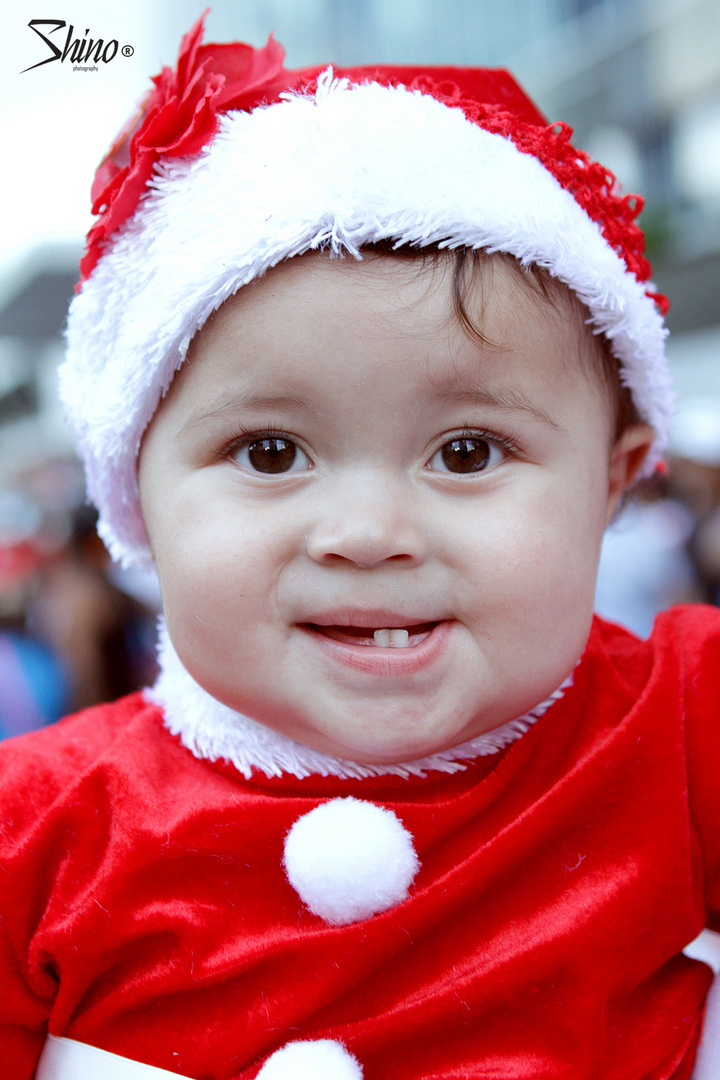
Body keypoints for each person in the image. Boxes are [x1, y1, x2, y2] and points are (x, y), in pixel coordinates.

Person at [1, 15, 718, 1080]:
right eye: (270, 450)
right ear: (135, 497)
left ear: (613, 479)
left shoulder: (684, 731)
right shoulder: (38, 828)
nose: (370, 534)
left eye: (468, 452)